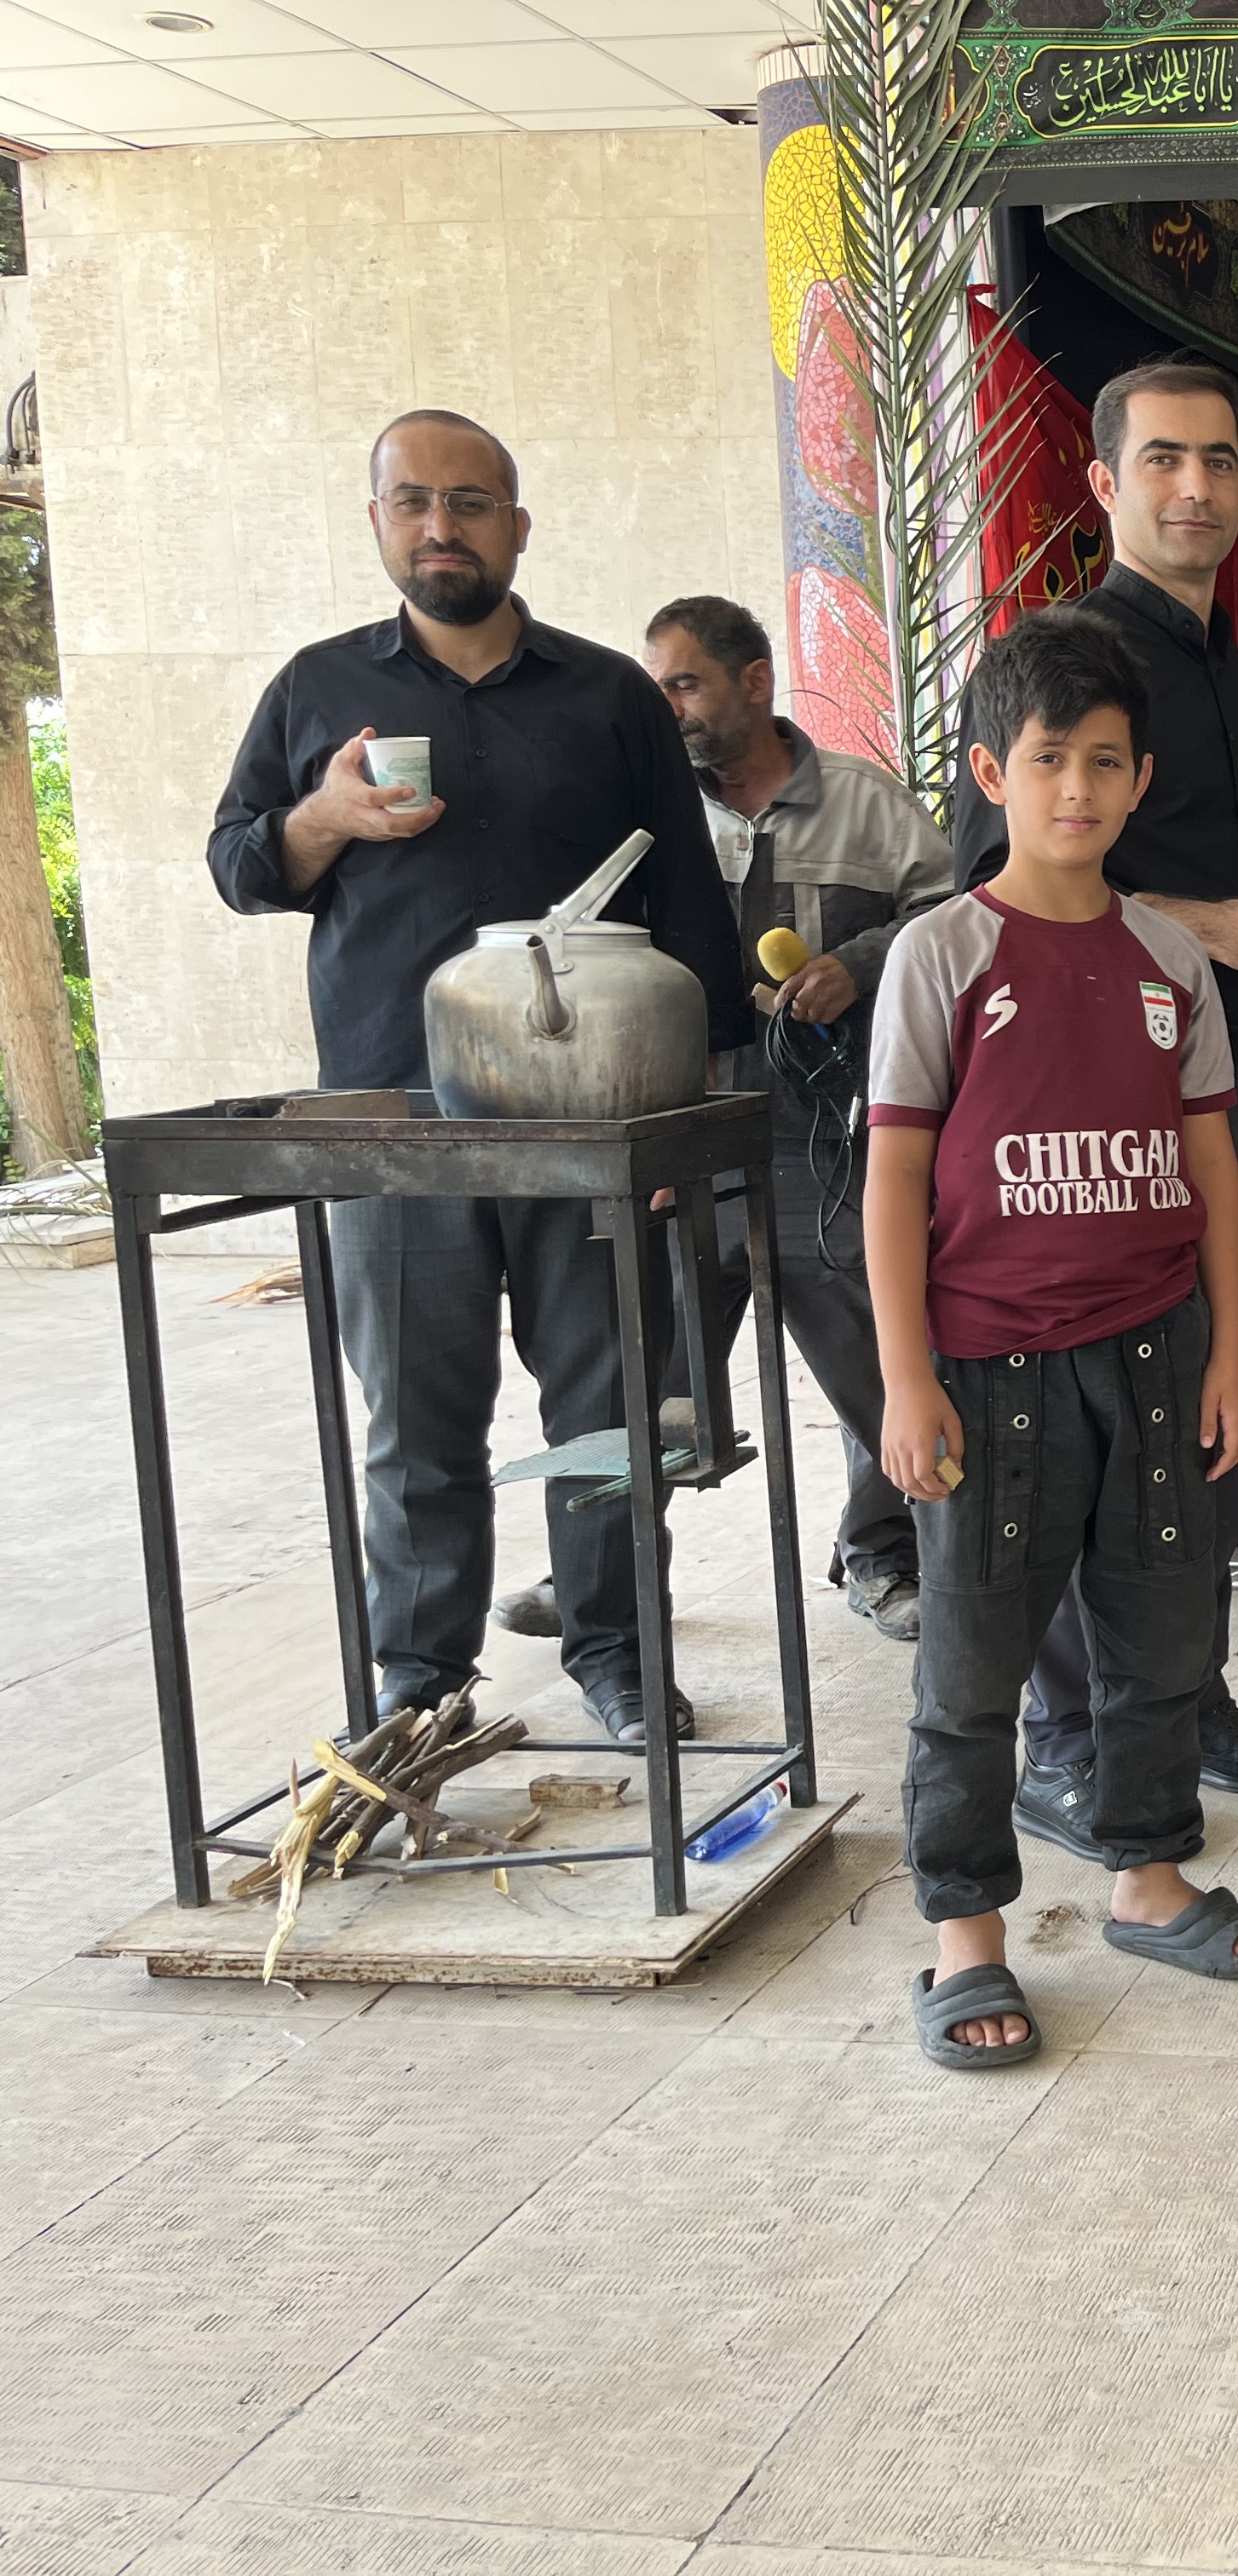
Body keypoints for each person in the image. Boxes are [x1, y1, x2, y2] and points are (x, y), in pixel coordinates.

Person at [207, 409, 751, 1746]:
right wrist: (321, 817)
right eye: (412, 501)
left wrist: (687, 1127)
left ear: (517, 526)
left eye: (469, 502)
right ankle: (421, 1681)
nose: (440, 526)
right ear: (377, 521)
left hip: (591, 1119)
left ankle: (619, 1655)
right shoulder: (319, 689)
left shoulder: (608, 695)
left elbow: (686, 896)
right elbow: (239, 865)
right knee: (416, 1421)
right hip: (394, 1123)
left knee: (609, 1411)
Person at [867, 607, 1238, 2070]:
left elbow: (1212, 1161)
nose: (1078, 789)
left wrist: (1228, 1352)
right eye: (1049, 758)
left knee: (1161, 1634)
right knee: (973, 1664)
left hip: (1157, 1355)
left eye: (1107, 761)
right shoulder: (940, 954)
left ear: (1140, 778)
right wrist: (907, 1377)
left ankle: (1147, 1879)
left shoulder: (1171, 957)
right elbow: (896, 1173)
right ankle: (965, 1933)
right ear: (993, 771)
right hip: (990, 1370)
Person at [948, 359, 1238, 1831]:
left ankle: (1181, 1692)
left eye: (1222, 462)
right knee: (1095, 1428)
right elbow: (993, 887)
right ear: (1104, 484)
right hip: (1099, 1125)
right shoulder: (1058, 662)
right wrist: (1219, 928)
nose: (1198, 487)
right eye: (1165, 459)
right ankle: (1069, 1735)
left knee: (1217, 1421)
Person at [489, 594, 956, 1650]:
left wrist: (859, 962)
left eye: (686, 684)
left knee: (874, 1365)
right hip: (682, 1141)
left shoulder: (868, 807)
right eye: (657, 689)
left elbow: (953, 913)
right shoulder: (646, 818)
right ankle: (602, 1579)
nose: (669, 709)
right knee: (640, 1368)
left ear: (755, 681)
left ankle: (885, 1558)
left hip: (826, 1146)